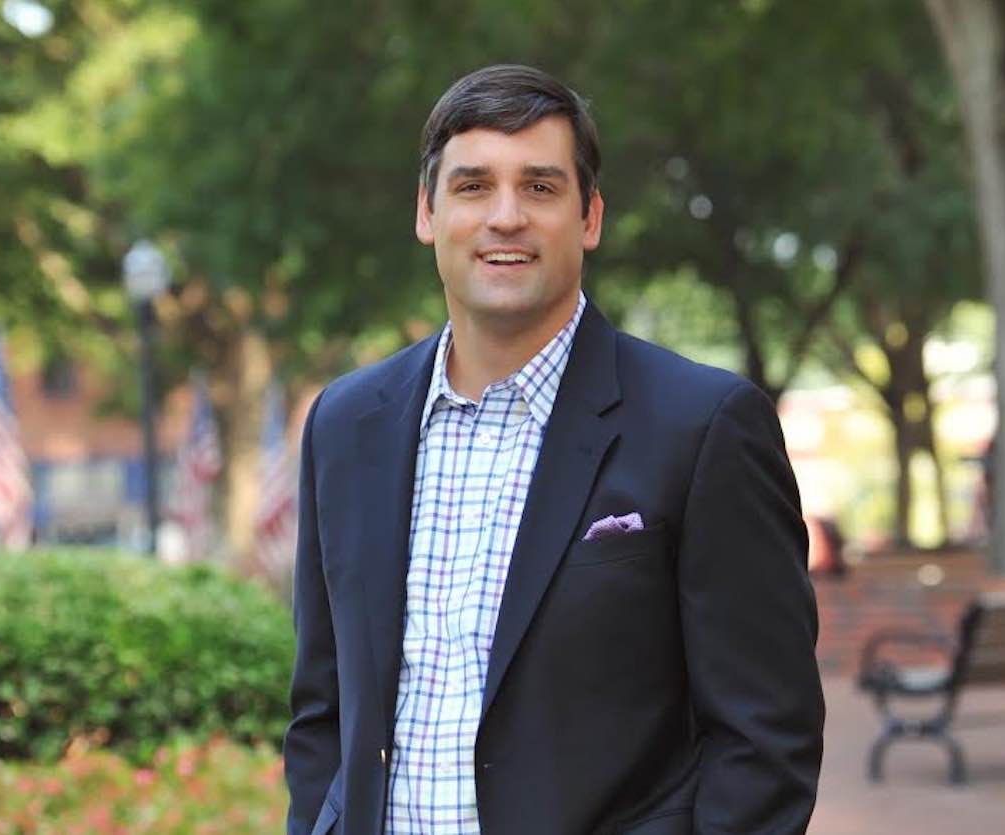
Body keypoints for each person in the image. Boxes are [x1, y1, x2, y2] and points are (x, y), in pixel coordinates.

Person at [284, 64, 824, 835]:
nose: (505, 217)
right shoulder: (346, 424)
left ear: (590, 217)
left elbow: (766, 740)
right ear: (428, 213)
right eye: (473, 186)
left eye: (539, 187)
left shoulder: (703, 426)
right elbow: (323, 708)